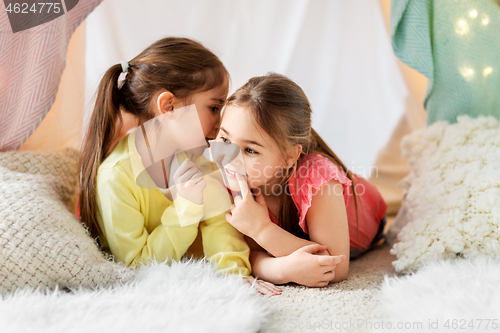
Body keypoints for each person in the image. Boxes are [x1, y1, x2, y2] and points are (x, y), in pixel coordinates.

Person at [79, 37, 280, 295]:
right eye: (214, 107)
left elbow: (219, 224)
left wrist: (235, 276)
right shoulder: (115, 178)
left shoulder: (195, 159)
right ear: (169, 107)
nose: (221, 123)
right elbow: (135, 266)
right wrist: (185, 208)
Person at [220, 73, 388, 287]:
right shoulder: (237, 178)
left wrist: (261, 229)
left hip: (366, 219)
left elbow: (334, 266)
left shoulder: (318, 178)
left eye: (250, 150)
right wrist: (282, 270)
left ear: (290, 156)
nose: (230, 157)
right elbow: (250, 252)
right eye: (225, 139)